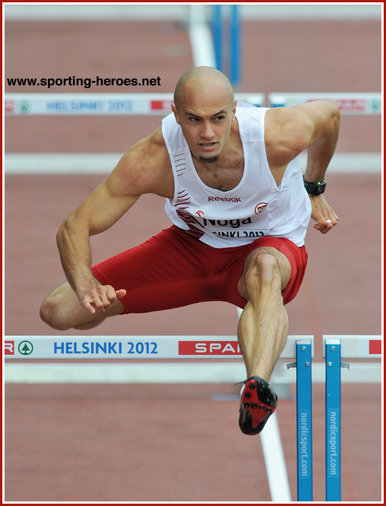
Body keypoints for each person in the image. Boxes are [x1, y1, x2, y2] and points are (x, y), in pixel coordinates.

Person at [40, 66, 340, 435]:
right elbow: (74, 226)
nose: (208, 133)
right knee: (58, 310)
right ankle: (102, 304)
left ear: (234, 110)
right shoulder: (153, 159)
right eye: (194, 120)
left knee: (264, 271)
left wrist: (315, 186)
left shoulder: (275, 137)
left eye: (218, 118)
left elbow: (329, 114)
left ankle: (257, 389)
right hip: (191, 248)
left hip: (269, 246)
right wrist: (88, 287)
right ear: (175, 114)